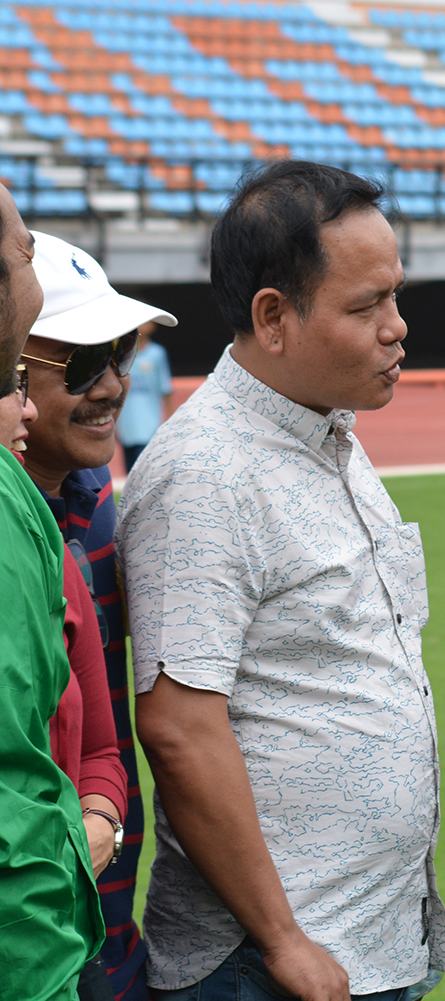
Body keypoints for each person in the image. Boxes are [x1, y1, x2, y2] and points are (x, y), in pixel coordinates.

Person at [116, 160, 445, 999]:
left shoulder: (328, 430)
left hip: (367, 941)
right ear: (274, 317)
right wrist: (283, 938)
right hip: (268, 967)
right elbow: (181, 729)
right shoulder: (205, 471)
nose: (397, 327)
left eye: (395, 295)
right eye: (367, 306)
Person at [18, 231, 175, 1001]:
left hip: (109, 943)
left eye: (121, 351)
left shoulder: (100, 509)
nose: (113, 381)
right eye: (83, 362)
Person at [0, 183, 104, 1001]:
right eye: (86, 360)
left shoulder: (80, 526)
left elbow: (102, 744)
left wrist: (96, 823)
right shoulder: (15, 511)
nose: (111, 384)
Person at [6, 358, 129, 1001]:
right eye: (8, 386)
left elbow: (105, 748)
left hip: (65, 937)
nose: (23, 408)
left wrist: (99, 817)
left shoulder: (50, 549)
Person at [116, 319, 173, 471]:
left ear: (152, 326)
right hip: (127, 426)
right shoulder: (121, 354)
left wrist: (170, 421)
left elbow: (165, 389)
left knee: (147, 471)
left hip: (149, 426)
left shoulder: (157, 354)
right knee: (130, 472)